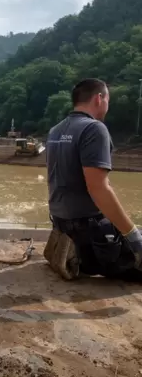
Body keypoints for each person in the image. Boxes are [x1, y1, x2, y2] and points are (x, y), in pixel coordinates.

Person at [45, 78, 142, 281]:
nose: (108, 105)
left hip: (62, 231)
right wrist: (134, 237)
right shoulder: (94, 129)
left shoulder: (55, 131)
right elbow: (98, 187)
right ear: (99, 99)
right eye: (108, 100)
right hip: (91, 240)